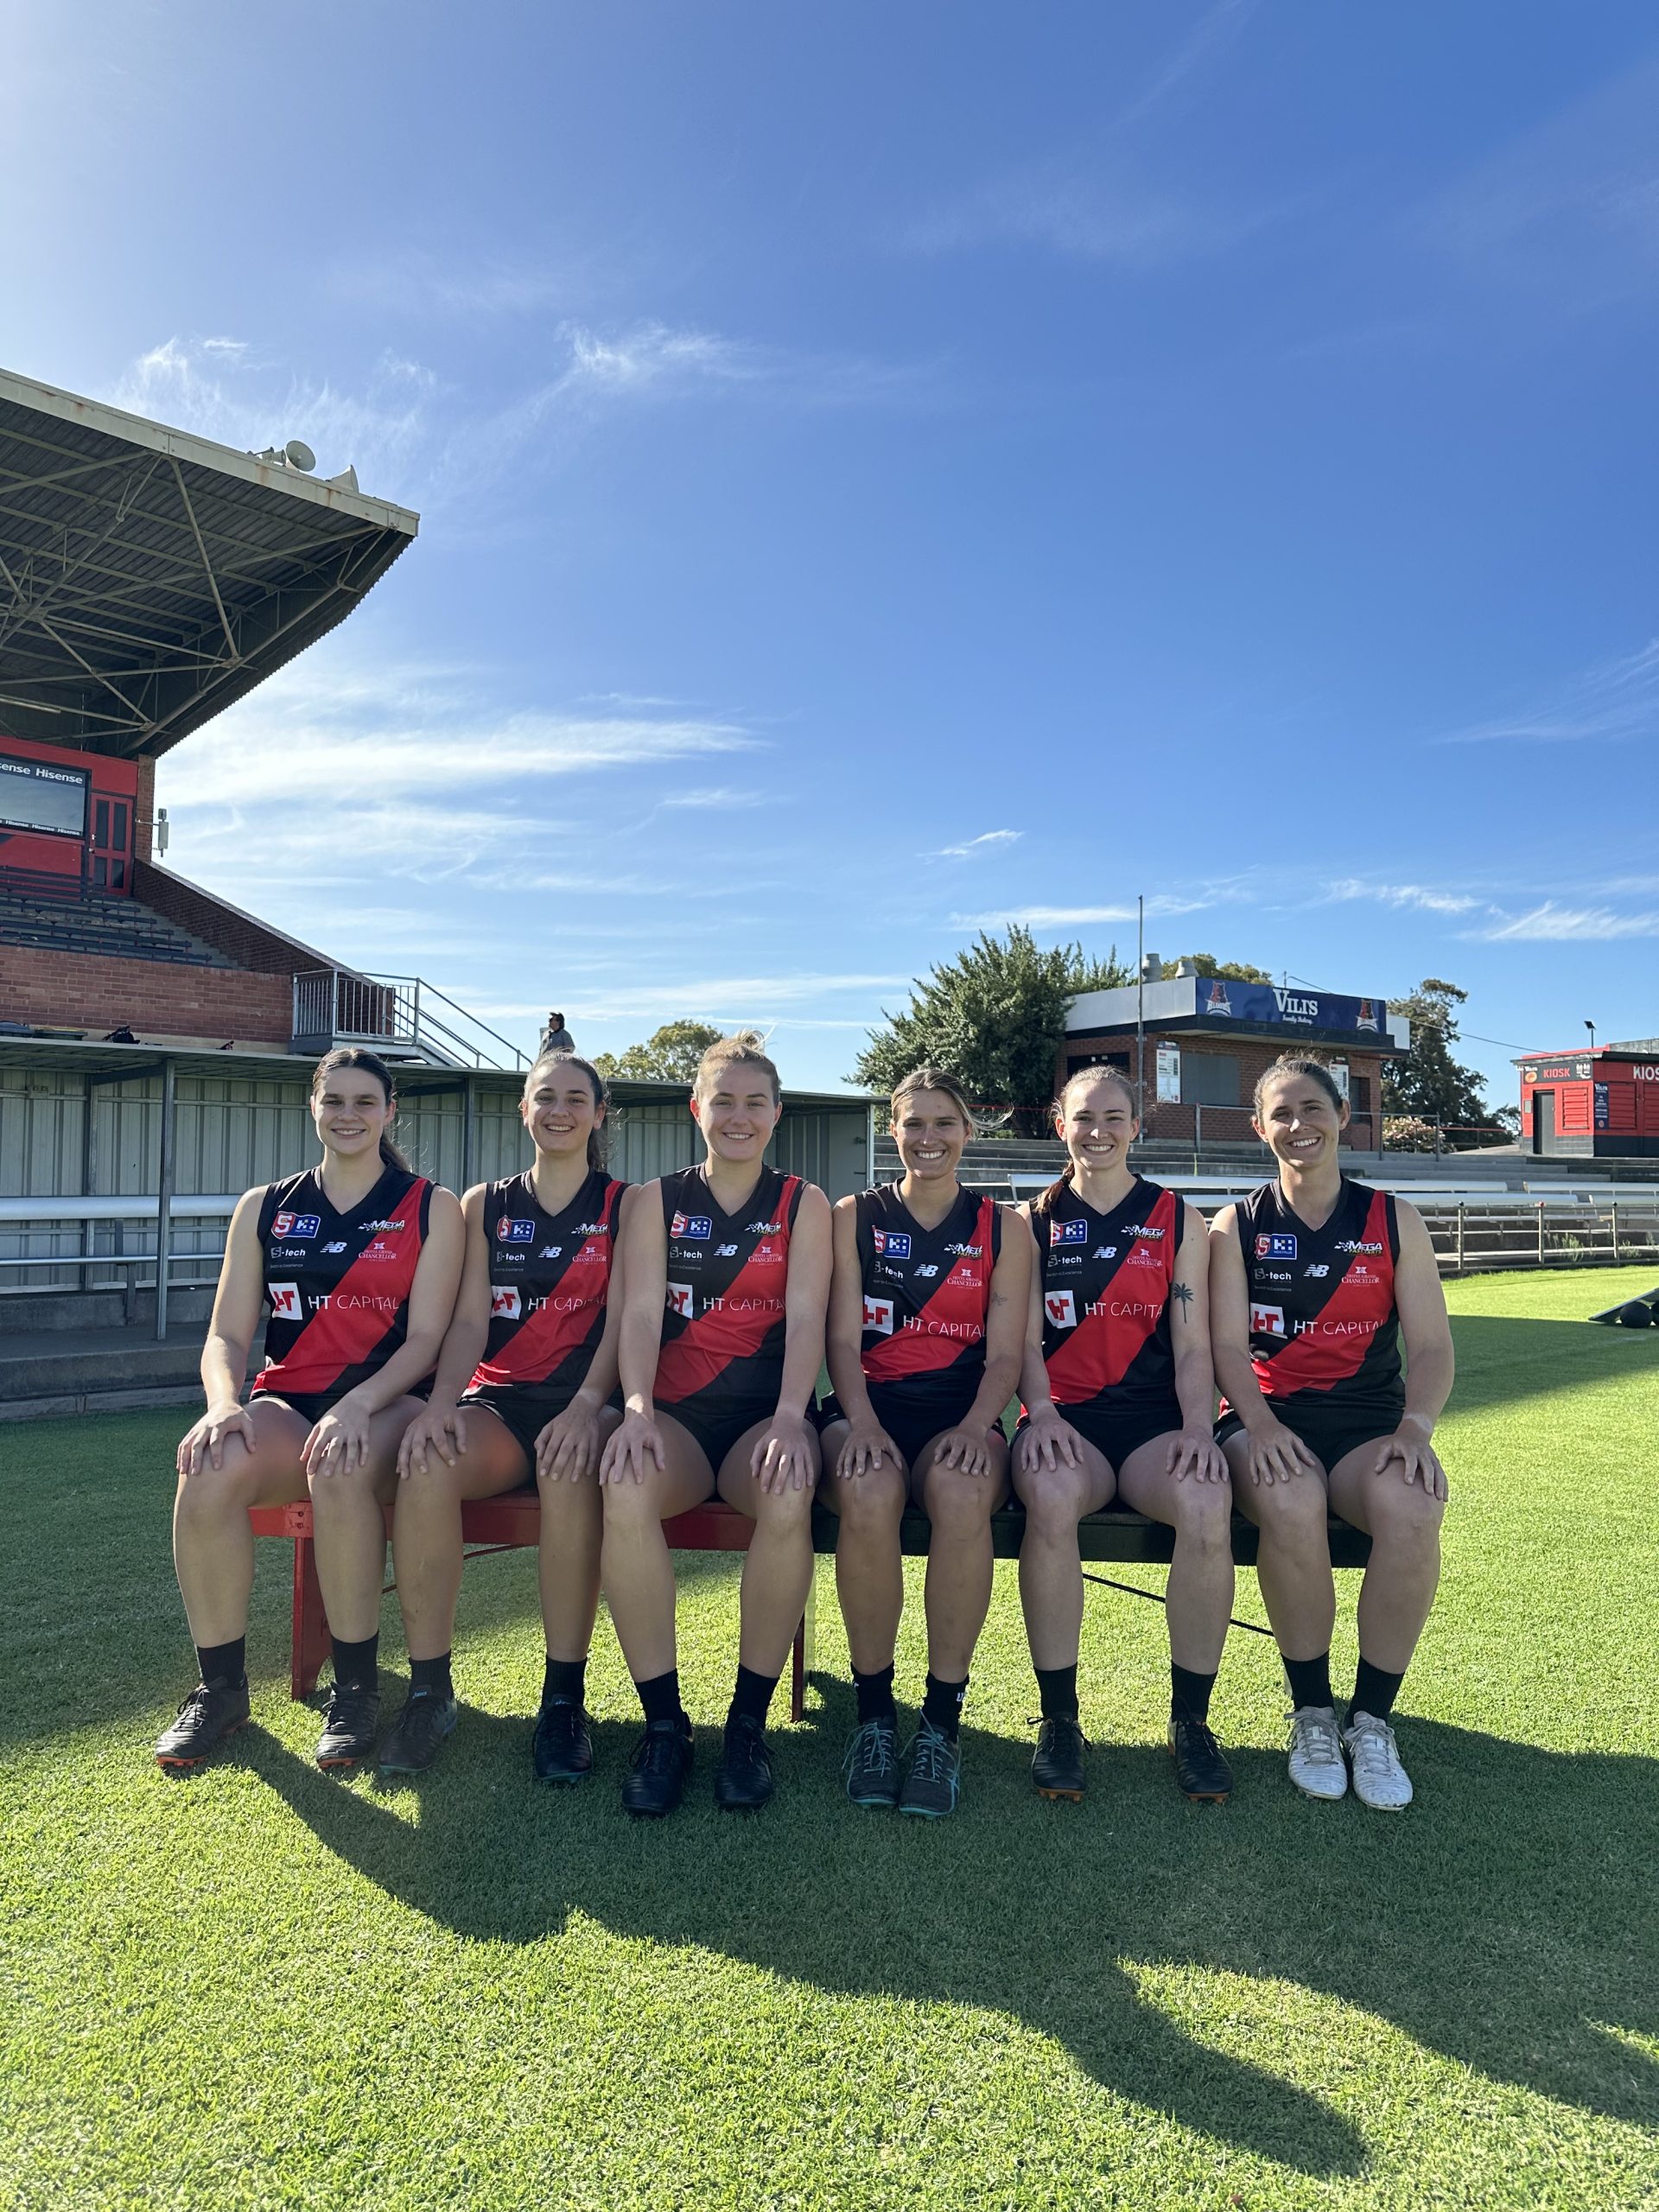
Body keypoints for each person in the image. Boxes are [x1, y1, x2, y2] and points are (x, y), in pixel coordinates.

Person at [156, 1049, 464, 1770]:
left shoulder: (430, 1206)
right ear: (313, 1107)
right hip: (288, 1404)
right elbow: (227, 1335)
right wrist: (223, 1403)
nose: (348, 1115)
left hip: (388, 1402)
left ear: (389, 1111)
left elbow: (427, 1340)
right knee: (207, 1467)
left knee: (339, 1461)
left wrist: (357, 1404)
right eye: (334, 1101)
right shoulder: (265, 1206)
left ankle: (354, 1692)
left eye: (365, 1102)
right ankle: (221, 1690)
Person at [1209, 1055, 1454, 1811]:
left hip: (1369, 1427)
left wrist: (1415, 1429)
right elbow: (1225, 1350)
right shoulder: (1237, 1225)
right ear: (1259, 1128)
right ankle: (1313, 1714)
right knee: (1290, 1501)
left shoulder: (1393, 1220)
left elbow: (1433, 1348)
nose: (1298, 1125)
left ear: (1343, 1116)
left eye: (1312, 1108)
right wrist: (1259, 1424)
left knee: (1414, 1507)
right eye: (1281, 1113)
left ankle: (1371, 1721)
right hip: (1264, 1422)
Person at [599, 1032, 831, 1815]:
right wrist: (635, 1407)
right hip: (677, 1419)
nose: (739, 1116)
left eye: (754, 1102)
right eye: (723, 1101)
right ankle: (665, 1727)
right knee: (626, 1487)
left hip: (765, 1418)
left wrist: (793, 1418)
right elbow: (637, 1314)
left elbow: (807, 1319)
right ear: (696, 1108)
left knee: (788, 1492)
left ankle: (746, 1726)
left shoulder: (802, 1203)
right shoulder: (654, 1201)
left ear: (776, 1114)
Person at [381, 1052, 632, 1780]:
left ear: (599, 1114)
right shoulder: (484, 1204)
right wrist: (438, 1406)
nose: (560, 1110)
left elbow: (627, 1322)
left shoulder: (627, 1205)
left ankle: (563, 1701)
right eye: (545, 1097)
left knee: (566, 1470)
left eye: (576, 1099)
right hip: (500, 1402)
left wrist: (586, 1407)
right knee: (425, 1463)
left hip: (590, 1403)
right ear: (524, 1110)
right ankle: (429, 1693)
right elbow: (467, 1324)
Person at [1014, 1065, 1235, 1804]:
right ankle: (1059, 1719)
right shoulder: (1030, 1222)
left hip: (1152, 1432)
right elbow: (1019, 1340)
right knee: (1050, 1498)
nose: (1098, 1131)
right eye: (1084, 1117)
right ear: (1060, 1125)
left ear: (1137, 1127)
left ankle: (1191, 1721)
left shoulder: (1177, 1220)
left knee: (1206, 1503)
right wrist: (1041, 1411)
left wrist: (1200, 1429)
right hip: (1063, 1423)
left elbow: (1195, 1345)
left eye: (1114, 1117)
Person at [819, 1068, 1031, 1817]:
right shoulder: (854, 1216)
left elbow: (1005, 1356)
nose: (928, 1137)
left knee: (963, 1493)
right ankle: (875, 1717)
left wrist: (975, 1427)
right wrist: (863, 1422)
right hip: (865, 1409)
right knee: (867, 1491)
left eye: (944, 1123)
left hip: (961, 1416)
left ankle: (941, 1722)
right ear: (893, 1132)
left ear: (967, 1131)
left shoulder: (1004, 1227)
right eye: (913, 1123)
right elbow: (841, 1341)